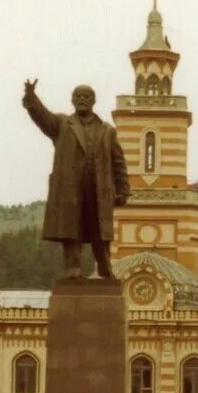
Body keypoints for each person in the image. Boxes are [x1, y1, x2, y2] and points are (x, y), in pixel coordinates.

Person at [21, 79, 130, 279]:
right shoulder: (62, 124)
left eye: (86, 96)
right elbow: (42, 117)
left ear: (93, 101)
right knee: (71, 229)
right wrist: (31, 97)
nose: (82, 99)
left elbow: (119, 163)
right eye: (78, 96)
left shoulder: (107, 131)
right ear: (72, 100)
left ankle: (104, 265)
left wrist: (123, 190)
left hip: (98, 187)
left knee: (100, 230)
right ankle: (73, 268)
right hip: (70, 188)